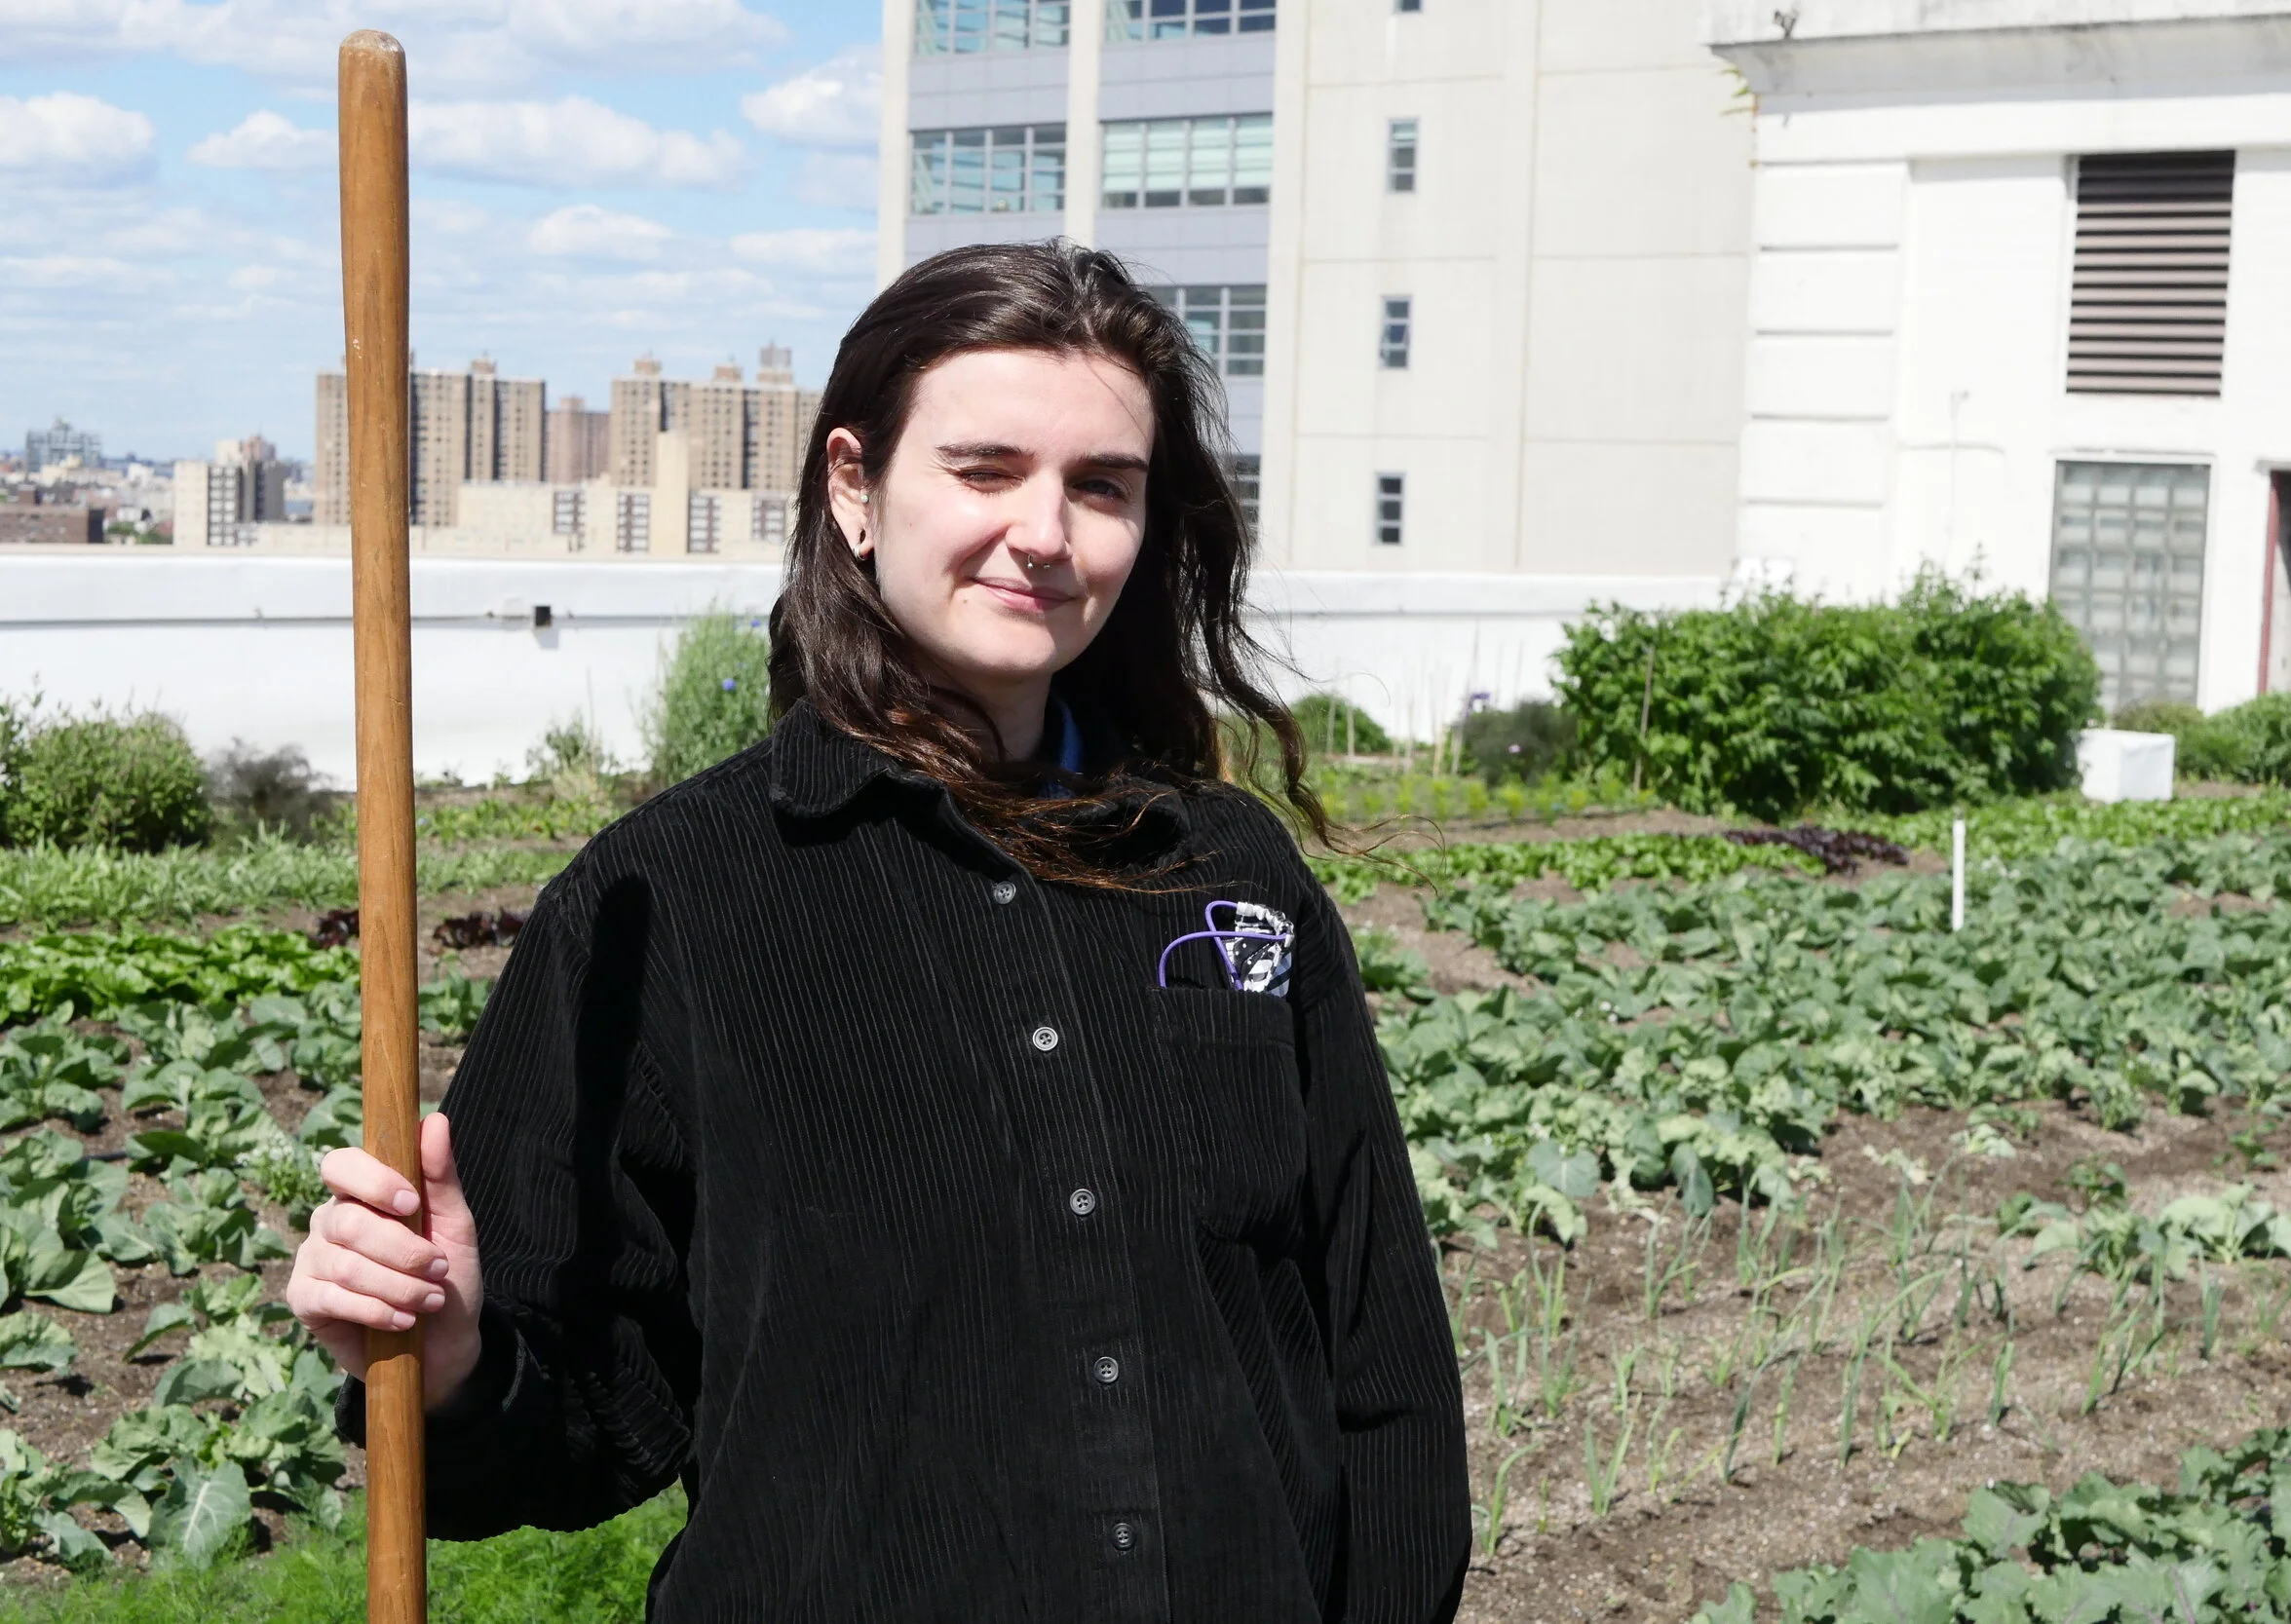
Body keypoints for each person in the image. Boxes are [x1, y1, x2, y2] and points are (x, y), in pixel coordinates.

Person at [285, 240, 1470, 1621]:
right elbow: (581, 1424)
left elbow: (1382, 1362)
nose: (1047, 530)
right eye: (985, 470)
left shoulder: (1225, 873)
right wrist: (448, 1356)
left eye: (1102, 486)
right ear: (854, 487)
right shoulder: (667, 898)